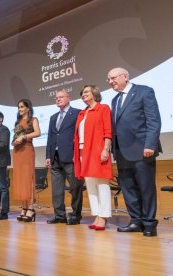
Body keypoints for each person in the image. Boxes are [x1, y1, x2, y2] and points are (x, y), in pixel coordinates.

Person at [108, 67, 162, 237]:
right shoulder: (115, 100)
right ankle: (135, 221)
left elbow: (153, 120)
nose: (111, 82)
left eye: (113, 78)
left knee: (146, 188)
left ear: (125, 76)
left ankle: (149, 224)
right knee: (128, 188)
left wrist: (150, 145)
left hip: (142, 149)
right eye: (108, 80)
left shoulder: (144, 91)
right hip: (121, 151)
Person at [73, 85, 113, 231]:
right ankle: (97, 214)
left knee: (102, 183)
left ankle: (104, 216)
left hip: (97, 151)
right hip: (83, 151)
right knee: (90, 184)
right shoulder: (82, 113)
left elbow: (108, 131)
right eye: (82, 93)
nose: (83, 94)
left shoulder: (103, 108)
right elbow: (77, 136)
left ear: (95, 93)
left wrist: (105, 149)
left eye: (86, 92)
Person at [46, 89, 84, 225]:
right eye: (56, 98)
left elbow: (81, 134)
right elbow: (50, 138)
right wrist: (48, 156)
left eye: (61, 97)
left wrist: (78, 154)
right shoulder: (53, 117)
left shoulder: (77, 113)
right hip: (55, 157)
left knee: (75, 187)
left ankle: (75, 215)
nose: (58, 99)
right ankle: (59, 215)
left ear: (69, 98)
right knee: (57, 189)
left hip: (71, 157)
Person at [12, 99, 41, 222]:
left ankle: (31, 208)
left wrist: (24, 136)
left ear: (28, 108)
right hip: (17, 151)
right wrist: (14, 141)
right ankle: (24, 207)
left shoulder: (33, 119)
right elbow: (15, 137)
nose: (20, 109)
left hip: (27, 150)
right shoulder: (17, 122)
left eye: (22, 107)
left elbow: (38, 133)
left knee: (28, 178)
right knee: (21, 179)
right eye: (19, 107)